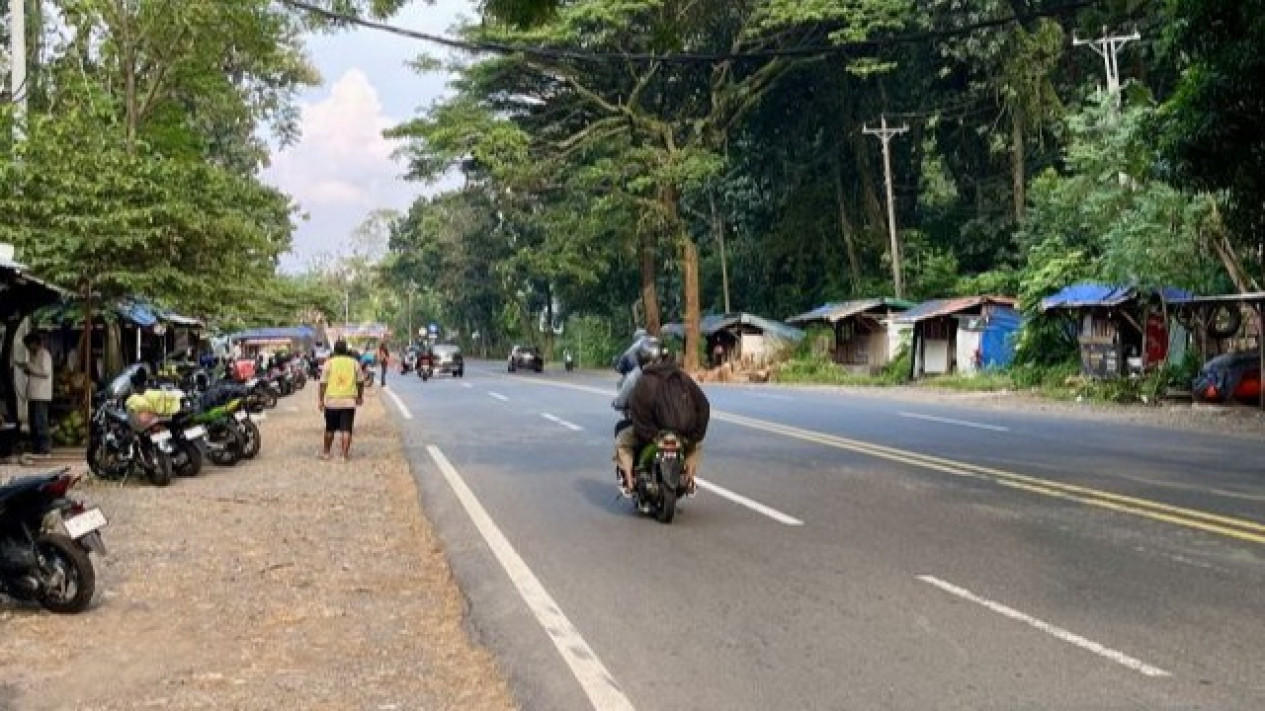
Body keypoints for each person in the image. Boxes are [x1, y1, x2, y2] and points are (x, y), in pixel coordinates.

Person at [622, 341, 710, 497]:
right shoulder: (682, 377)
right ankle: (690, 479)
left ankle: (629, 482)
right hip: (683, 435)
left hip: (652, 436)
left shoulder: (643, 381)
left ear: (643, 360)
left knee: (622, 441)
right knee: (695, 447)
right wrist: (696, 435)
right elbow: (703, 405)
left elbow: (637, 415)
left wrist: (650, 436)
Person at [611, 337, 656, 496]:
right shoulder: (671, 373)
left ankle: (629, 481)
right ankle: (689, 476)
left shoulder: (635, 376)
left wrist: (617, 403)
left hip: (645, 426)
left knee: (622, 439)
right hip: (670, 424)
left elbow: (622, 399)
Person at [319, 340, 364, 461]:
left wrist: (320, 400)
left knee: (330, 428)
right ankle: (344, 455)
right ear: (346, 350)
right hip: (349, 401)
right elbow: (360, 382)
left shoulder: (329, 363)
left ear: (335, 350)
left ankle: (326, 453)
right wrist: (360, 397)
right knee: (346, 429)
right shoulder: (354, 363)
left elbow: (323, 383)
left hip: (332, 401)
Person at [18, 332, 53, 456]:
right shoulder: (35, 355)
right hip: (33, 394)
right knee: (33, 423)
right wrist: (28, 369)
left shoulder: (44, 354)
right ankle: (37, 448)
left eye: (29, 345)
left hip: (41, 394)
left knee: (40, 422)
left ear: (34, 343)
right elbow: (36, 371)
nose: (28, 348)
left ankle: (44, 448)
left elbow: (45, 372)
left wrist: (29, 366)